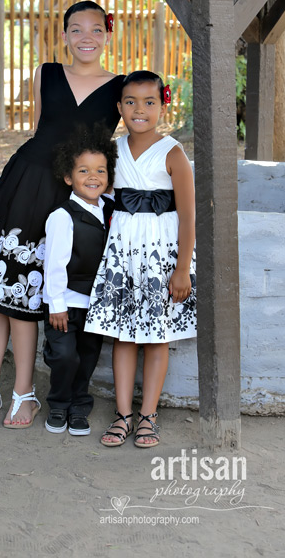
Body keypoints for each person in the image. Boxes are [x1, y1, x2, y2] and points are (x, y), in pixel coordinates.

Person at [0, 1, 124, 428]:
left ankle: (24, 394)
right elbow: (37, 129)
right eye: (76, 29)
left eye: (95, 29)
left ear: (107, 35)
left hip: (69, 195)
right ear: (66, 35)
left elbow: (123, 144)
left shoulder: (120, 87)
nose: (85, 37)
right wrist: (6, 183)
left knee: (29, 297)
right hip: (24, 182)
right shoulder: (46, 72)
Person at [85, 70, 196, 448]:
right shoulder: (112, 152)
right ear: (119, 107)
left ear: (162, 107)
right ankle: (122, 415)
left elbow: (189, 216)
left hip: (159, 259)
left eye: (149, 102)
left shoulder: (173, 154)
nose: (139, 110)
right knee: (123, 336)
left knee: (156, 337)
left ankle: (148, 416)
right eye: (131, 102)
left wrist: (182, 269)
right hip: (122, 256)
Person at [42, 124, 117, 436]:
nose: (93, 176)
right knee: (64, 355)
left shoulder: (110, 209)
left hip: (95, 303)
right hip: (66, 303)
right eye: (84, 170)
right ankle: (58, 404)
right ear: (68, 177)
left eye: (100, 170)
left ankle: (79, 407)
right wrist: (56, 305)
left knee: (87, 358)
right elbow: (55, 264)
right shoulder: (62, 216)